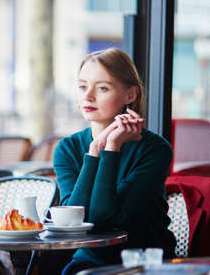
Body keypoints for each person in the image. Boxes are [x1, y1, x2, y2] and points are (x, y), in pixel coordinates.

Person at [53, 47, 176, 275]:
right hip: (88, 262)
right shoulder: (67, 149)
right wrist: (94, 150)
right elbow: (73, 221)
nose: (87, 96)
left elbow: (104, 220)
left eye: (102, 88)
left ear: (130, 95)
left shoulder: (155, 150)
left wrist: (112, 148)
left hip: (143, 263)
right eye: (82, 86)